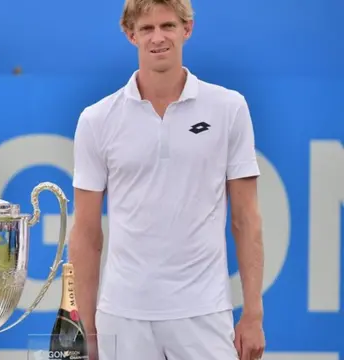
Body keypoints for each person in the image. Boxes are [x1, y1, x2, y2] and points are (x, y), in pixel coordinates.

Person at [68, 1, 266, 360]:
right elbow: (85, 232)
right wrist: (87, 327)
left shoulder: (229, 108)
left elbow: (246, 219)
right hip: (122, 315)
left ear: (186, 29)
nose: (157, 37)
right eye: (146, 29)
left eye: (168, 26)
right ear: (131, 35)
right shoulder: (96, 119)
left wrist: (253, 314)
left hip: (205, 311)